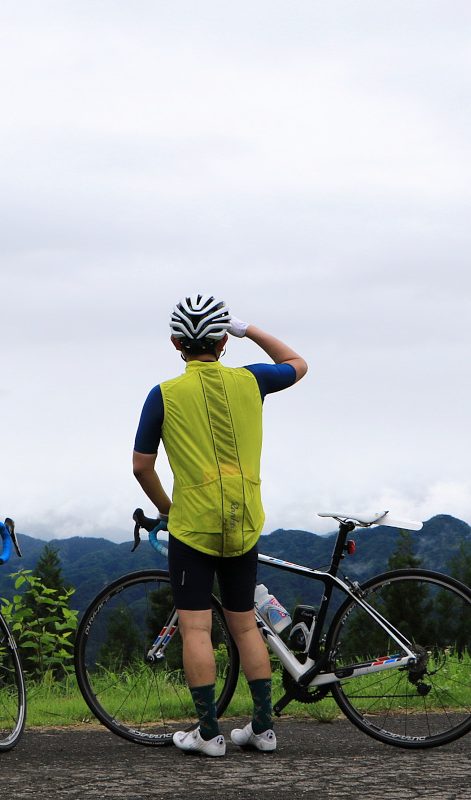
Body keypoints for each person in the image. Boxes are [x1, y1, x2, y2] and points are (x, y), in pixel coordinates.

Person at [132, 295, 307, 757]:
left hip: (193, 527)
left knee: (195, 629)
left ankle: (208, 734)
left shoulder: (164, 394)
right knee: (245, 625)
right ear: (223, 340)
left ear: (175, 343)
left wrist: (168, 509)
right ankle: (263, 729)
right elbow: (297, 363)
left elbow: (141, 467)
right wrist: (250, 329)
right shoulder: (252, 380)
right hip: (245, 523)